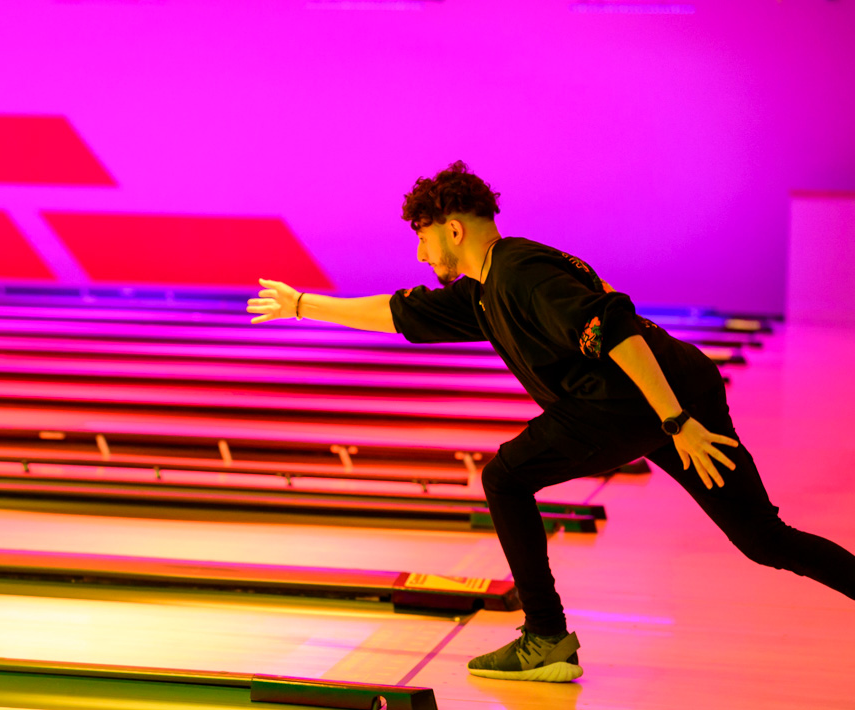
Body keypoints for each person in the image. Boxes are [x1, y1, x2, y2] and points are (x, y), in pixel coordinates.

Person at [246, 161, 855, 683]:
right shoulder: (484, 289)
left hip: (642, 406)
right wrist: (302, 305)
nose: (419, 252)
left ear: (453, 229)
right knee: (765, 540)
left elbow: (618, 330)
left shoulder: (519, 274)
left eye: (424, 237)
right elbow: (399, 313)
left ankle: (546, 640)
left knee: (506, 478)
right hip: (660, 401)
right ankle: (547, 637)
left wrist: (675, 423)